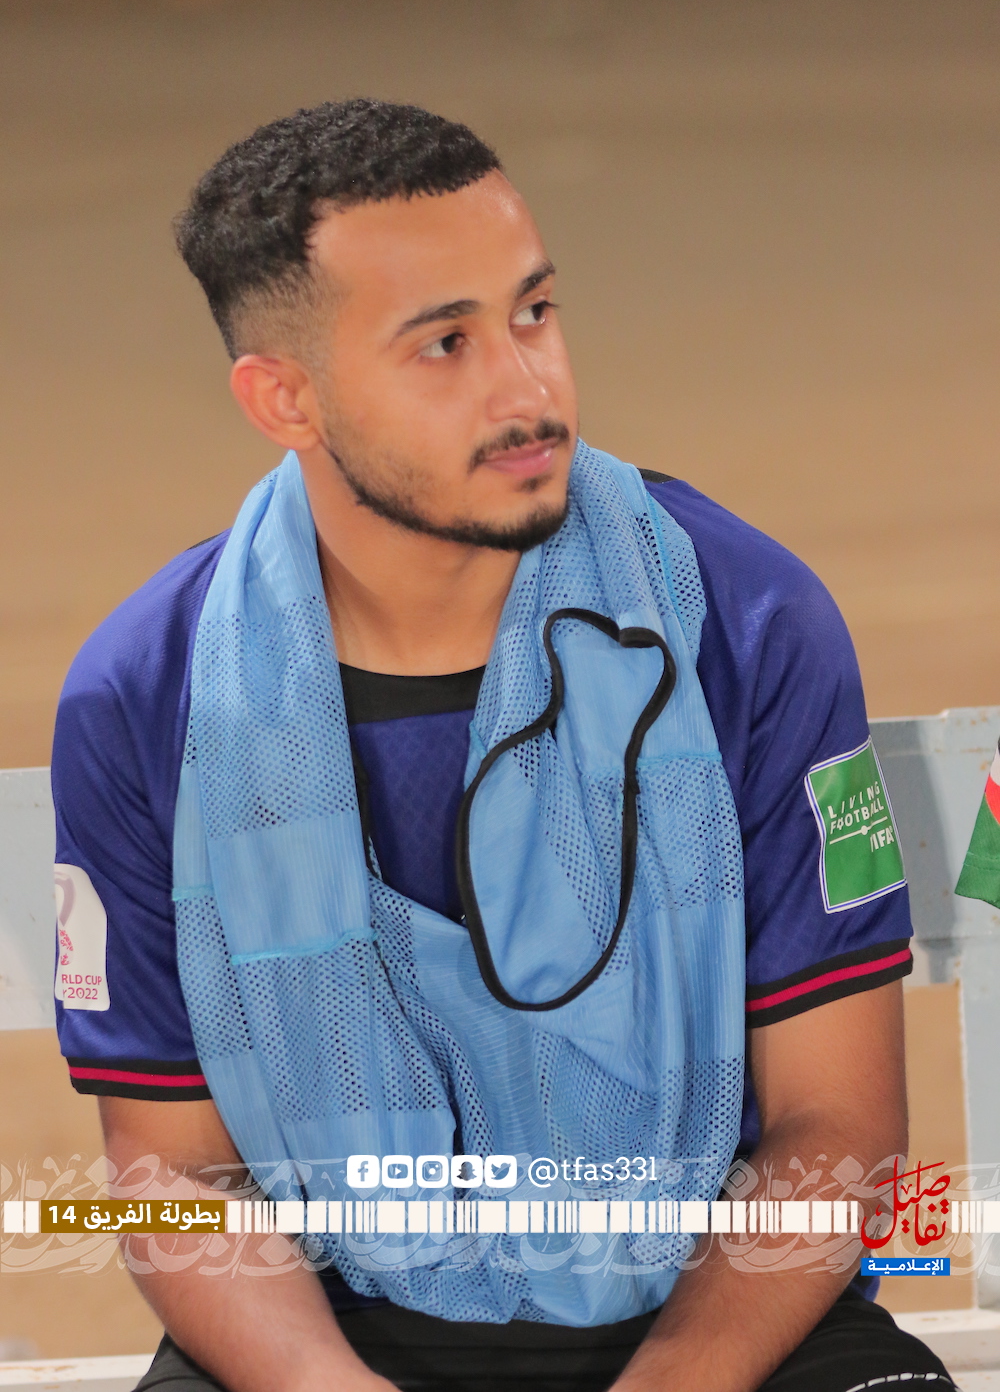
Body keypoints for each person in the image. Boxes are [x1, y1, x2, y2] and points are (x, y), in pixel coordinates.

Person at [51, 100, 955, 1392]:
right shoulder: (146, 694)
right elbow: (172, 1175)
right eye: (445, 343)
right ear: (285, 397)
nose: (528, 388)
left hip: (716, 1327)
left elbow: (837, 1129)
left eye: (534, 312)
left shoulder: (746, 619)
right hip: (332, 1336)